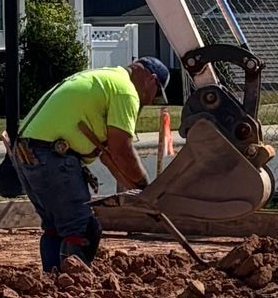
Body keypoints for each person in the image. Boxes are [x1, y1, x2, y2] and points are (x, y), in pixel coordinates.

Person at [11, 56, 171, 271]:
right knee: (83, 228)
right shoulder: (125, 91)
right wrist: (145, 188)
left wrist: (136, 192)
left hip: (28, 154)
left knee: (56, 228)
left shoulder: (107, 79)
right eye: (156, 95)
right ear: (152, 80)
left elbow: (110, 157)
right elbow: (122, 151)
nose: (151, 101)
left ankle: (53, 281)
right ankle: (73, 289)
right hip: (52, 156)